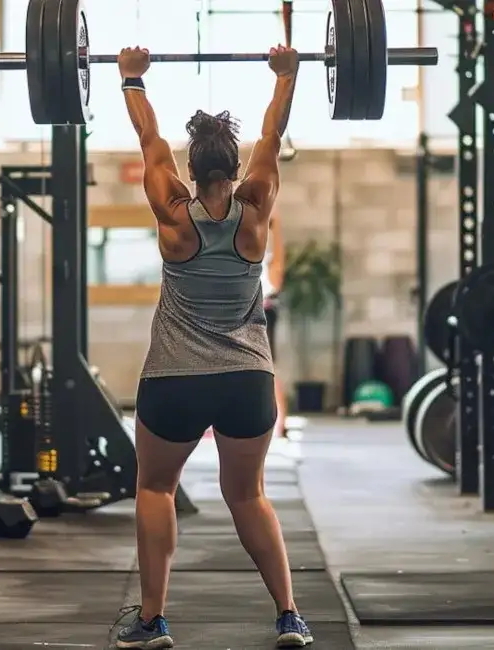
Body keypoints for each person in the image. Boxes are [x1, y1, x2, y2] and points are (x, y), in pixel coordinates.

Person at [113, 45, 313, 650]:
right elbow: (273, 135)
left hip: (173, 381)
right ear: (237, 170)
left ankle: (152, 621)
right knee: (248, 495)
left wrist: (131, 80)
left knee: (155, 489)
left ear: (191, 173)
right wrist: (286, 76)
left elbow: (150, 141)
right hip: (247, 381)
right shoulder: (256, 212)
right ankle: (289, 616)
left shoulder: (173, 214)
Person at [263, 212, 289, 439]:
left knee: (268, 368)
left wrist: (276, 225)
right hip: (240, 309)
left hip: (261, 310)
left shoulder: (267, 249)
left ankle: (280, 423)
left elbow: (276, 278)